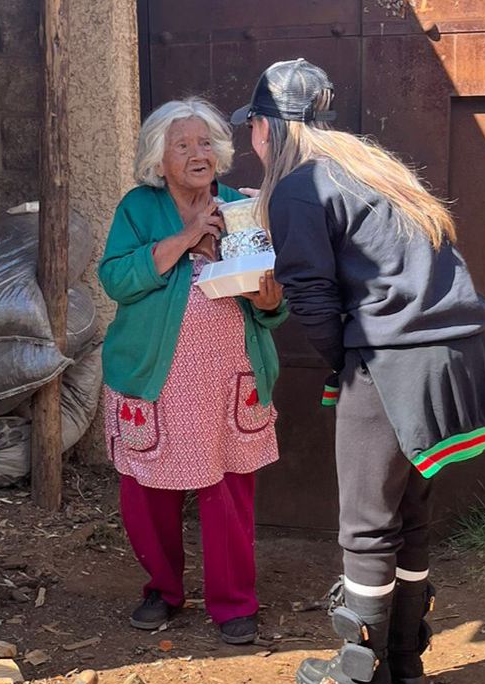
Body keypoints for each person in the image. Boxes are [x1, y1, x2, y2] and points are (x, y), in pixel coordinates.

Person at [231, 60, 485, 684]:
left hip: (395, 357)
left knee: (366, 523)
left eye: (253, 129)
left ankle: (364, 675)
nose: (251, 141)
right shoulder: (375, 168)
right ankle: (405, 661)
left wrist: (348, 365)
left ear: (267, 127)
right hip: (459, 353)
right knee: (409, 512)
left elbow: (316, 300)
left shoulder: (298, 186)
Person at [99, 97, 287, 645]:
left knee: (227, 491)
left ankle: (234, 603)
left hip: (228, 378)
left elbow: (271, 306)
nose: (197, 154)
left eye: (205, 143)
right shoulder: (139, 208)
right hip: (156, 380)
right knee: (147, 493)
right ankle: (163, 589)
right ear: (161, 160)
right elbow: (115, 279)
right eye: (182, 145)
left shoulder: (243, 207)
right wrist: (186, 239)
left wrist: (271, 300)